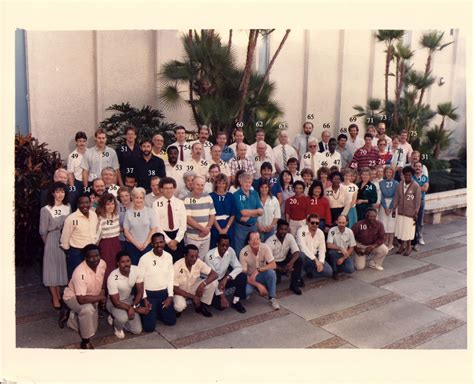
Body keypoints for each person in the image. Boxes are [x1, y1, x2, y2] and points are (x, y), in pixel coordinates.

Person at [61, 244, 106, 349]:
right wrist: (101, 298)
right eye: (91, 256)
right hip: (74, 296)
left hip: (92, 296)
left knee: (92, 329)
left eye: (97, 255)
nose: (95, 259)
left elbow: (101, 281)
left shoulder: (102, 264)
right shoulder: (79, 273)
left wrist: (101, 293)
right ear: (85, 258)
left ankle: (71, 319)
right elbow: (81, 300)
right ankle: (85, 342)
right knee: (87, 310)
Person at [39, 181, 71, 309]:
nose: (60, 194)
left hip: (65, 240)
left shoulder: (68, 207)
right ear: (52, 193)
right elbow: (43, 231)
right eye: (57, 192)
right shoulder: (45, 209)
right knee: (52, 270)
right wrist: (49, 245)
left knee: (60, 268)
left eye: (62, 191)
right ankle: (54, 297)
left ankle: (59, 294)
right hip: (52, 240)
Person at [138, 233, 176, 331]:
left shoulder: (169, 256)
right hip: (149, 295)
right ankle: (149, 311)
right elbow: (140, 281)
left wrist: (170, 296)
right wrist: (145, 299)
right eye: (156, 243)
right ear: (151, 244)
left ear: (164, 243)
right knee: (149, 328)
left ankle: (157, 311)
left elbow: (170, 277)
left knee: (171, 322)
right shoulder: (144, 259)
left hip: (163, 293)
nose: (159, 245)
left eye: (161, 242)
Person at [106, 251, 148, 339]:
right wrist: (132, 309)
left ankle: (116, 318)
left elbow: (140, 292)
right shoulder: (112, 277)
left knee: (137, 330)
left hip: (128, 300)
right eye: (122, 262)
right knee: (122, 318)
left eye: (128, 261)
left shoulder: (136, 270)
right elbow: (116, 302)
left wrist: (133, 307)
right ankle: (117, 327)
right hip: (113, 303)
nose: (126, 264)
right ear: (117, 263)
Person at [204, 234, 247, 313]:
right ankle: (205, 301)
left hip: (224, 279)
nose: (225, 247)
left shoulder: (230, 250)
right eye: (222, 245)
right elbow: (213, 278)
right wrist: (223, 297)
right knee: (221, 307)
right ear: (217, 244)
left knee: (242, 276)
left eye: (227, 245)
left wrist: (227, 278)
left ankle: (236, 301)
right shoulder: (209, 256)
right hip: (211, 282)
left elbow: (238, 267)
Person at [173, 244, 219, 317]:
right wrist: (193, 297)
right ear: (185, 255)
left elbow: (214, 274)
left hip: (193, 287)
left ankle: (201, 305)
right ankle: (178, 310)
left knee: (213, 282)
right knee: (179, 306)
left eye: (196, 256)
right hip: (180, 291)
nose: (194, 259)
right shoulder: (177, 266)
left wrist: (202, 284)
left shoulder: (198, 262)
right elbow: (175, 289)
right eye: (191, 256)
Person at [60, 194, 98, 279]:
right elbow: (64, 239)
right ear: (77, 204)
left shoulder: (93, 215)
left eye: (87, 202)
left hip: (92, 253)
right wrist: (70, 252)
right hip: (77, 254)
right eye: (82, 203)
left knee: (91, 278)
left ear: (90, 203)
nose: (85, 205)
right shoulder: (71, 219)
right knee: (77, 278)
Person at [240, 231, 280, 310]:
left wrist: (258, 270)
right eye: (252, 239)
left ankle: (272, 298)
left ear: (260, 240)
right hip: (250, 277)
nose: (255, 241)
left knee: (271, 273)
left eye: (257, 239)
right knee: (246, 292)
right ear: (248, 241)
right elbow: (243, 275)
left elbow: (273, 265)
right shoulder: (243, 252)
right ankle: (257, 287)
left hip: (261, 274)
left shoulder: (265, 247)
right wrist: (258, 285)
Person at [153, 177, 187, 262]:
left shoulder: (180, 203)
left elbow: (183, 225)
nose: (169, 191)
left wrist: (176, 241)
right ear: (161, 189)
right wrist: (168, 241)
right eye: (166, 188)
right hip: (163, 237)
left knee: (179, 263)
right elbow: (157, 225)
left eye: (171, 188)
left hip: (178, 237)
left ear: (174, 188)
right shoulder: (156, 204)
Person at [265, 219, 303, 295]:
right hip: (273, 263)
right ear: (277, 229)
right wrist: (282, 269)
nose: (283, 231)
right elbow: (267, 262)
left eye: (285, 229)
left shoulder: (289, 237)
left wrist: (291, 263)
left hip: (284, 260)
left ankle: (294, 285)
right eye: (281, 229)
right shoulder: (269, 241)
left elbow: (297, 251)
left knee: (299, 259)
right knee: (277, 281)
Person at [123, 187, 158, 265]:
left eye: (141, 198)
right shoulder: (128, 212)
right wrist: (137, 244)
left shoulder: (150, 211)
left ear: (144, 198)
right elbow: (126, 231)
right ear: (132, 198)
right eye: (136, 198)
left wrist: (145, 244)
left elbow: (153, 229)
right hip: (132, 246)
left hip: (148, 246)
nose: (139, 200)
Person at [184, 176, 216, 259]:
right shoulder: (187, 199)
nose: (200, 187)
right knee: (191, 260)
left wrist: (207, 228)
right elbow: (188, 219)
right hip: (192, 237)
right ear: (193, 185)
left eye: (202, 185)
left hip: (206, 236)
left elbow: (212, 215)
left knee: (203, 261)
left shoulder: (208, 197)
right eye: (197, 185)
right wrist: (203, 229)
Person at [393, 166, 421, 256]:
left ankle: (409, 247)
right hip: (401, 211)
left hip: (410, 213)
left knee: (409, 230)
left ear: (412, 175)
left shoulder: (416, 186)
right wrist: (394, 208)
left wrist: (416, 212)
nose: (407, 177)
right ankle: (402, 246)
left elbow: (417, 200)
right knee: (401, 229)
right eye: (406, 175)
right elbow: (397, 197)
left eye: (409, 175)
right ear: (403, 175)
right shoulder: (400, 184)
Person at [233, 172, 263, 257]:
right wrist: (256, 212)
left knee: (253, 250)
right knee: (240, 250)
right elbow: (243, 212)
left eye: (249, 182)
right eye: (245, 182)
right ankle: (241, 269)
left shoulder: (255, 193)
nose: (248, 184)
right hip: (241, 228)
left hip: (253, 227)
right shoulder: (236, 195)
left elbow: (261, 211)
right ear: (241, 182)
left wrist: (249, 214)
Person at [95, 193, 122, 285]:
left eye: (112, 204)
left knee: (117, 266)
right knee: (107, 267)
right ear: (103, 205)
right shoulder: (100, 218)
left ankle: (116, 287)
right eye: (108, 204)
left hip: (116, 243)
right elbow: (97, 235)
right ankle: (105, 289)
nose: (111, 206)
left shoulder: (116, 216)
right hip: (106, 245)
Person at [296, 214, 332, 279]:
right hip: (305, 257)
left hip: (315, 257)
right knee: (301, 255)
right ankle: (301, 272)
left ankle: (310, 272)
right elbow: (302, 247)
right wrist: (315, 260)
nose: (315, 224)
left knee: (329, 272)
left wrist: (321, 262)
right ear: (308, 222)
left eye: (317, 223)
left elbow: (322, 249)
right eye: (312, 223)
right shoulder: (302, 231)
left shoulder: (320, 233)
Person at [209, 173, 235, 249]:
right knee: (215, 248)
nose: (221, 185)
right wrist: (219, 229)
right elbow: (211, 214)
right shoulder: (211, 196)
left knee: (228, 248)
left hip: (228, 226)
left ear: (226, 184)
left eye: (223, 183)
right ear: (216, 183)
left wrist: (226, 228)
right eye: (219, 183)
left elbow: (233, 214)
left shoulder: (230, 196)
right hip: (215, 226)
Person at [326, 215, 356, 280]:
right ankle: (335, 271)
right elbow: (329, 245)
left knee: (350, 270)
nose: (341, 224)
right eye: (339, 222)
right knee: (331, 253)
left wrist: (343, 258)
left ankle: (338, 266)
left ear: (346, 223)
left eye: (343, 223)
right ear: (336, 222)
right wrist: (340, 248)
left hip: (345, 254)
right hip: (335, 252)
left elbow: (351, 247)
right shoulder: (332, 230)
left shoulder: (349, 231)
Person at [378, 167, 399, 250]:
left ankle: (390, 243)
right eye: (387, 172)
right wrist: (385, 207)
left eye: (390, 172)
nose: (388, 174)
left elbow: (395, 196)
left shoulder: (396, 183)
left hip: (393, 205)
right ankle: (385, 242)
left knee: (391, 224)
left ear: (393, 173)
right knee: (384, 223)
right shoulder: (381, 183)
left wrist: (390, 207)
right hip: (384, 205)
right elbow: (381, 195)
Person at [67, 131, 88, 206]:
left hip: (90, 182)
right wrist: (73, 187)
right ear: (76, 142)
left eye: (83, 141)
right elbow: (70, 173)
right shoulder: (72, 156)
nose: (82, 143)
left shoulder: (90, 153)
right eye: (79, 141)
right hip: (78, 183)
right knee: (77, 204)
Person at [413, 161, 429, 246]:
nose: (418, 168)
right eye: (416, 166)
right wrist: (420, 187)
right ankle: (413, 237)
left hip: (421, 200)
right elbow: (410, 189)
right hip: (412, 201)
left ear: (422, 168)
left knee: (420, 220)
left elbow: (425, 188)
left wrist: (415, 188)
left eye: (419, 166)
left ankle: (420, 236)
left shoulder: (425, 178)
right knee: (412, 219)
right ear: (414, 167)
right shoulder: (411, 178)